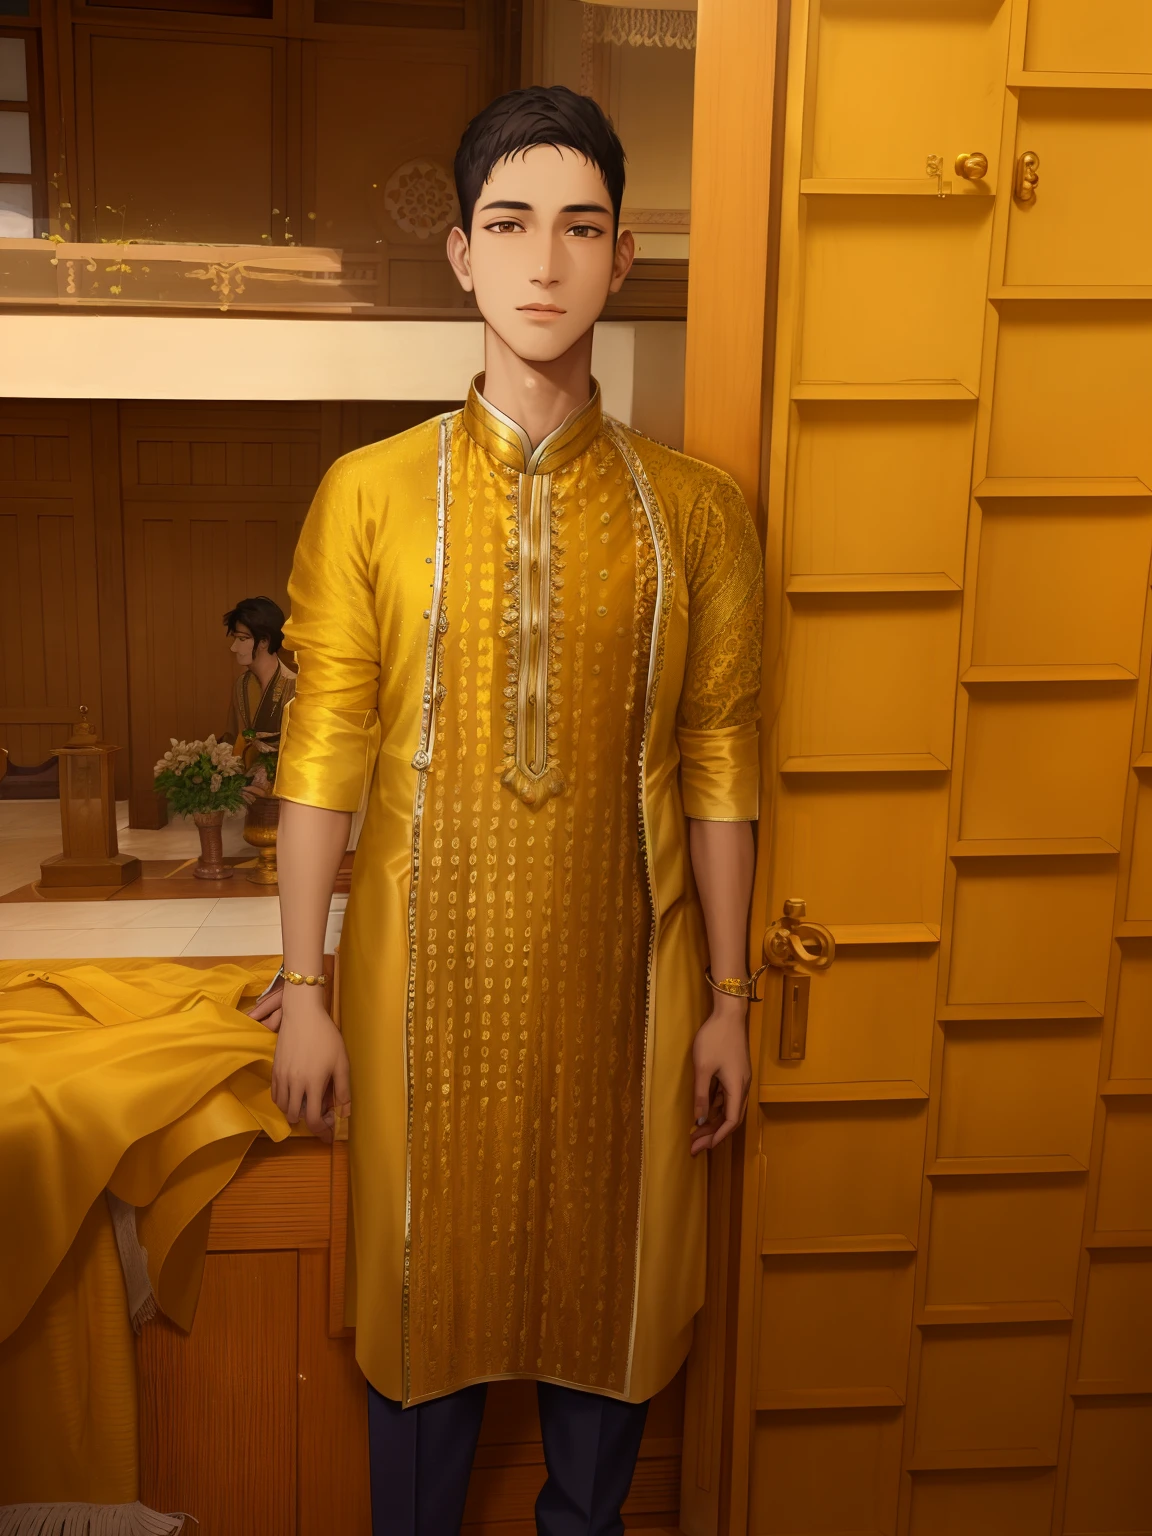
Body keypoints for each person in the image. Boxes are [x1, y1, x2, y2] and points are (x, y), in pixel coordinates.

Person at [253, 85, 764, 1536]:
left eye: (581, 227)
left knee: (619, 1303)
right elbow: (322, 750)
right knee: (423, 1305)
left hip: (635, 985)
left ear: (622, 260)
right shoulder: (367, 494)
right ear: (465, 259)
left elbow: (721, 758)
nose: (546, 261)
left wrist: (728, 996)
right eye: (510, 225)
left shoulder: (697, 513)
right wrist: (304, 988)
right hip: (424, 984)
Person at [222, 596, 296, 791]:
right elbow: (234, 738)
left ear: (264, 642)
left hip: (286, 787)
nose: (234, 647)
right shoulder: (242, 685)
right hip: (246, 785)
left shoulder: (294, 686)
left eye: (242, 639)